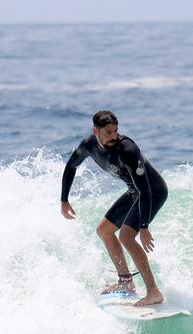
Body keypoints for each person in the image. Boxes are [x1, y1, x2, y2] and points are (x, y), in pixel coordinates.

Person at [60, 111, 168, 307]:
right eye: (108, 132)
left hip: (153, 191)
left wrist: (143, 227)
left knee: (127, 236)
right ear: (96, 131)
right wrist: (64, 200)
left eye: (115, 131)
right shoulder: (88, 145)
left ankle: (154, 292)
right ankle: (126, 282)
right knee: (104, 230)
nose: (113, 136)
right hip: (135, 191)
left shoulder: (127, 149)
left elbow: (145, 190)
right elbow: (70, 167)